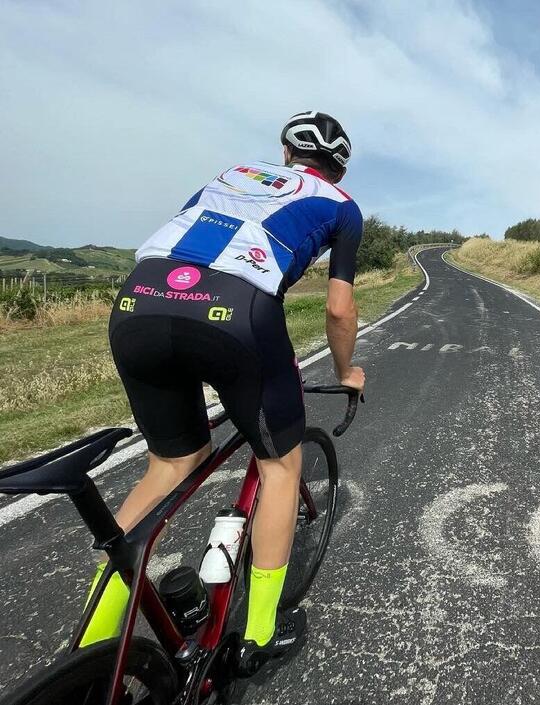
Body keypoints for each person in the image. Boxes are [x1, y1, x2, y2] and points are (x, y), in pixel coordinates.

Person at [84, 111, 365, 674]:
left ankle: (92, 641)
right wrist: (348, 370)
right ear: (337, 169)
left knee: (169, 464)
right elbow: (338, 306)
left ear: (286, 155)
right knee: (281, 466)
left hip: (138, 299)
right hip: (236, 314)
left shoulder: (231, 174)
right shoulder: (341, 205)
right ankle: (258, 633)